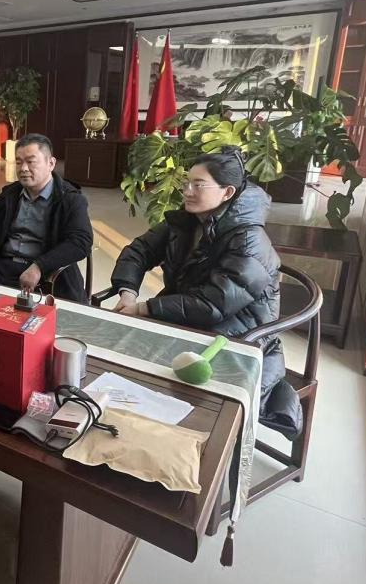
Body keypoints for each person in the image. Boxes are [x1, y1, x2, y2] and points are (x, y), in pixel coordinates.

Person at [109, 147, 300, 437]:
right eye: (186, 183)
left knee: (159, 366)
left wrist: (145, 308)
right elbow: (139, 251)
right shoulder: (187, 221)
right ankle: (137, 426)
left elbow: (214, 305)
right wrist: (128, 293)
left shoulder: (250, 240)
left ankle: (182, 438)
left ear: (227, 192)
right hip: (190, 318)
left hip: (239, 332)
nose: (187, 191)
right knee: (125, 349)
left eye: (198, 185)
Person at [0, 133, 93, 301]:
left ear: (51, 163)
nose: (23, 168)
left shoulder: (69, 199)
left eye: (31, 162)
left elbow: (81, 241)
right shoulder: (12, 194)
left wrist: (39, 266)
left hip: (49, 277)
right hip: (3, 270)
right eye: (18, 162)